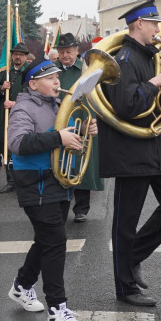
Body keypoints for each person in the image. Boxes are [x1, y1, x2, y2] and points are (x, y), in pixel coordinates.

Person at [98, 0, 161, 307]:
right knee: (125, 223)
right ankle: (125, 287)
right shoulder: (125, 58)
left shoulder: (151, 54)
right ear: (139, 24)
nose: (160, 28)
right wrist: (154, 82)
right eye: (155, 23)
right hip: (131, 151)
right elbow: (127, 105)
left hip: (157, 147)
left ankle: (133, 257)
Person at [6, 57, 94, 321]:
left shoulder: (57, 105)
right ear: (33, 84)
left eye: (57, 77)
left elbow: (66, 136)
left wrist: (83, 130)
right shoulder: (23, 108)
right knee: (55, 242)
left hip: (57, 180)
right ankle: (58, 310)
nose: (57, 81)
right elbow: (17, 143)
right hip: (36, 182)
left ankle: (22, 286)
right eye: (49, 78)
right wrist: (58, 137)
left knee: (46, 240)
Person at [55, 33, 104, 222]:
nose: (65, 55)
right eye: (61, 51)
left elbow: (92, 96)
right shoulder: (54, 70)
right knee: (62, 164)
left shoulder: (85, 70)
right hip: (60, 122)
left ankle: (82, 208)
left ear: (77, 51)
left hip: (81, 118)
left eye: (68, 51)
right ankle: (61, 206)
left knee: (83, 163)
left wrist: (89, 121)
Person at [0, 42, 29, 193]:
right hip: (6, 117)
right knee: (7, 148)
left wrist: (16, 103)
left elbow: (34, 94)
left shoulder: (30, 73)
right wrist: (2, 88)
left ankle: (24, 180)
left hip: (24, 117)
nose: (18, 57)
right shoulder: (4, 73)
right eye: (15, 54)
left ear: (26, 57)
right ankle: (10, 180)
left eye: (21, 55)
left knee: (22, 146)